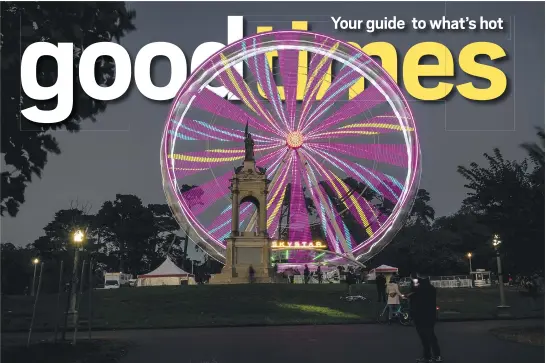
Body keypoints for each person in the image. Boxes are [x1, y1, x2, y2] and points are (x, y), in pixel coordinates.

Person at [410, 277, 442, 363]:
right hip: (428, 316)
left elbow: (415, 297)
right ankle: (432, 356)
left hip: (423, 316)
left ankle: (433, 356)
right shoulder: (430, 289)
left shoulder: (422, 289)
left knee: (427, 337)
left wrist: (414, 283)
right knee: (428, 336)